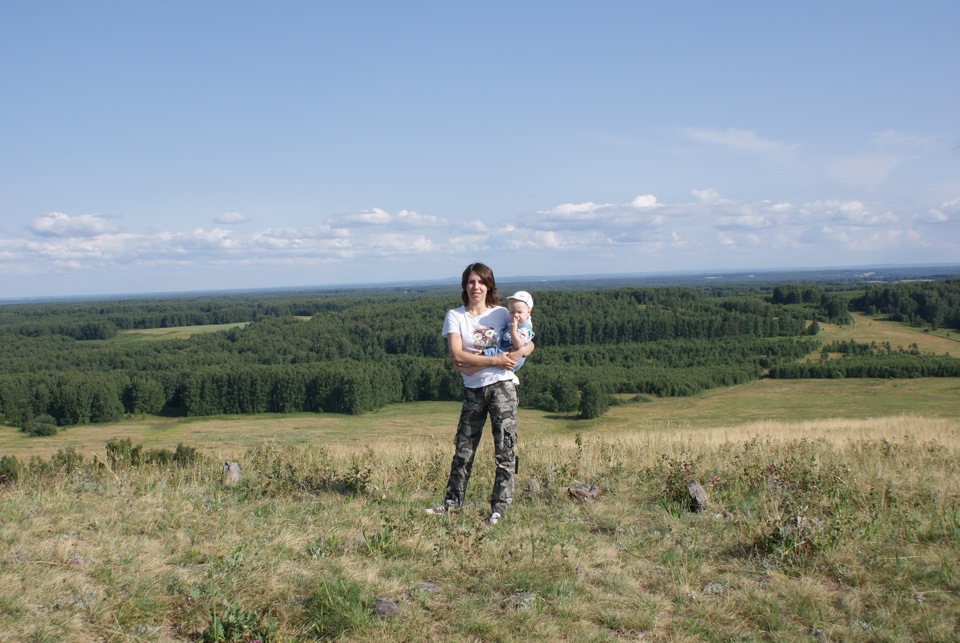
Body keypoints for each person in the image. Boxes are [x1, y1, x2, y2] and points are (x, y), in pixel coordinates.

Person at [426, 263, 534, 525]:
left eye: (481, 282)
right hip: (473, 389)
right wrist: (495, 360)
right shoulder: (455, 316)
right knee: (463, 449)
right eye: (471, 282)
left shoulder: (501, 313)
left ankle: (500, 508)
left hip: (503, 388)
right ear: (465, 285)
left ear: (489, 286)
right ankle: (452, 504)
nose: (476, 287)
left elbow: (529, 340)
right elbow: (456, 354)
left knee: (504, 448)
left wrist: (516, 354)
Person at [482, 290, 535, 372]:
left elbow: (518, 345)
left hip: (510, 357)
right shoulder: (513, 321)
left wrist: (513, 330)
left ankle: (476, 361)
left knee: (490, 352)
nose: (515, 315)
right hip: (505, 352)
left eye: (519, 312)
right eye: (512, 312)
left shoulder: (525, 328)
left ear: (528, 312)